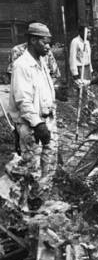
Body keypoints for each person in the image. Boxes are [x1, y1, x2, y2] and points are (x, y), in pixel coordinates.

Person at [8, 22, 58, 192]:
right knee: (32, 170)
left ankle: (44, 202)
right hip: (32, 126)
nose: (48, 47)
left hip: (47, 120)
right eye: (45, 42)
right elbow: (23, 100)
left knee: (49, 165)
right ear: (32, 40)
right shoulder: (22, 65)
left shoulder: (42, 61)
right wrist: (38, 124)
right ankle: (28, 208)